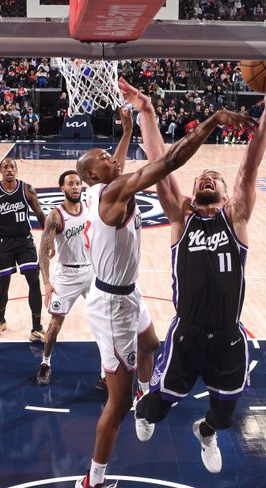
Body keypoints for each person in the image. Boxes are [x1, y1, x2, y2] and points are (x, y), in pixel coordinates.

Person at [73, 85, 254, 488]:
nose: (112, 157)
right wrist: (211, 121)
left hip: (126, 293)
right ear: (96, 177)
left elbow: (112, 168)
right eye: (104, 157)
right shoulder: (111, 194)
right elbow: (169, 161)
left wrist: (131, 127)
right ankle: (91, 482)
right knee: (116, 407)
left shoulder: (106, 184)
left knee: (152, 342)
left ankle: (149, 395)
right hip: (112, 306)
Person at [133, 73, 266, 473]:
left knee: (224, 415)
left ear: (226, 195)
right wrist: (147, 113)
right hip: (186, 332)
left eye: (215, 178)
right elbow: (160, 162)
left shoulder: (236, 216)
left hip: (227, 334)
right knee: (156, 408)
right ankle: (144, 408)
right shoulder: (179, 214)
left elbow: (250, 165)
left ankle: (205, 432)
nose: (206, 176)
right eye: (200, 177)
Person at [37, 116, 159, 390]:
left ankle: (112, 375)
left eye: (75, 184)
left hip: (93, 272)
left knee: (119, 336)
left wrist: (127, 131)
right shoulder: (57, 215)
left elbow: (115, 169)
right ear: (64, 188)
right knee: (56, 324)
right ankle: (46, 361)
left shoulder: (92, 195)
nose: (74, 187)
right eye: (70, 184)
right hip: (70, 275)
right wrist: (46, 281)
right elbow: (43, 250)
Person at [0, 157, 47, 340]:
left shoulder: (27, 189)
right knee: (3, 285)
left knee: (34, 280)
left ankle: (36, 327)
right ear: (0, 170)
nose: (9, 170)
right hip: (4, 243)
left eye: (12, 167)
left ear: (16, 170)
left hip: (25, 241)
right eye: (5, 167)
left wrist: (49, 240)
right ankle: (0, 320)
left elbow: (40, 214)